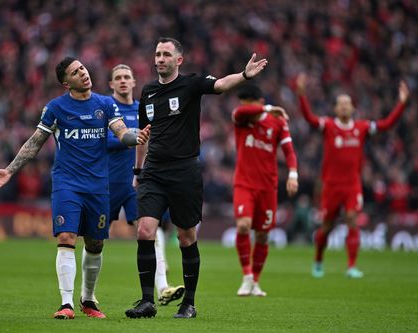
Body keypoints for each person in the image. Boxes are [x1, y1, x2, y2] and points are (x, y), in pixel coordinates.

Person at [0, 56, 150, 319]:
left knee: (95, 245)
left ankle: (88, 299)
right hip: (67, 184)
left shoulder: (105, 104)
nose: (83, 73)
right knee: (66, 237)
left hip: (98, 185)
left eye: (82, 68)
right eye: (75, 72)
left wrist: (134, 136)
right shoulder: (56, 108)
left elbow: (121, 133)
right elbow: (35, 142)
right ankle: (66, 303)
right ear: (65, 83)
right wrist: (10, 169)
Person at [125, 37, 268, 319]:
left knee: (186, 236)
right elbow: (143, 136)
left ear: (179, 60)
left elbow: (220, 85)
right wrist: (138, 170)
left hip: (184, 171)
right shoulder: (149, 91)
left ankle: (188, 303)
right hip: (153, 171)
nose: (160, 59)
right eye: (157, 54)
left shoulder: (191, 84)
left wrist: (243, 75)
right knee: (144, 231)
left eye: (166, 54)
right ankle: (146, 301)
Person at [295, 73, 409, 278]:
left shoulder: (361, 127)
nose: (345, 107)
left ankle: (351, 266)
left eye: (348, 103)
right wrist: (302, 95)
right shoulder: (329, 126)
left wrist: (401, 104)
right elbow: (310, 119)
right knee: (327, 227)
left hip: (352, 185)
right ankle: (319, 260)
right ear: (335, 109)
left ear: (353, 108)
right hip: (330, 185)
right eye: (341, 104)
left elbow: (386, 125)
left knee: (352, 219)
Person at [107, 64, 184, 305]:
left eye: (126, 77)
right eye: (117, 78)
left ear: (133, 82)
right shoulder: (106, 109)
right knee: (94, 238)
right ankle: (88, 295)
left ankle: (163, 288)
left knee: (149, 228)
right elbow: (105, 142)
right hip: (107, 182)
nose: (122, 81)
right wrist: (132, 137)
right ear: (111, 84)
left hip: (137, 181)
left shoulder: (144, 108)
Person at [232, 83, 298, 297]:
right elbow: (240, 112)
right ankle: (246, 276)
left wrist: (293, 174)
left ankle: (256, 282)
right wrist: (268, 108)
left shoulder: (277, 123)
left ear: (258, 101)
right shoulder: (242, 119)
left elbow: (288, 150)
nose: (244, 107)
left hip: (268, 187)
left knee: (262, 236)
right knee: (243, 226)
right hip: (244, 183)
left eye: (248, 103)